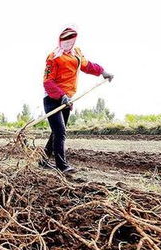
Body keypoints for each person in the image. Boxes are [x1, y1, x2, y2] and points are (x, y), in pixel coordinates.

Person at [42, 25, 113, 173]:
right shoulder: (53, 57)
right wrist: (62, 96)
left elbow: (87, 66)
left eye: (71, 41)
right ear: (60, 41)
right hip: (52, 98)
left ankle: (43, 160)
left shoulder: (77, 54)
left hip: (67, 99)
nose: (68, 44)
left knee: (57, 132)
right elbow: (48, 82)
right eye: (65, 41)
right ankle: (62, 166)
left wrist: (102, 72)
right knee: (60, 132)